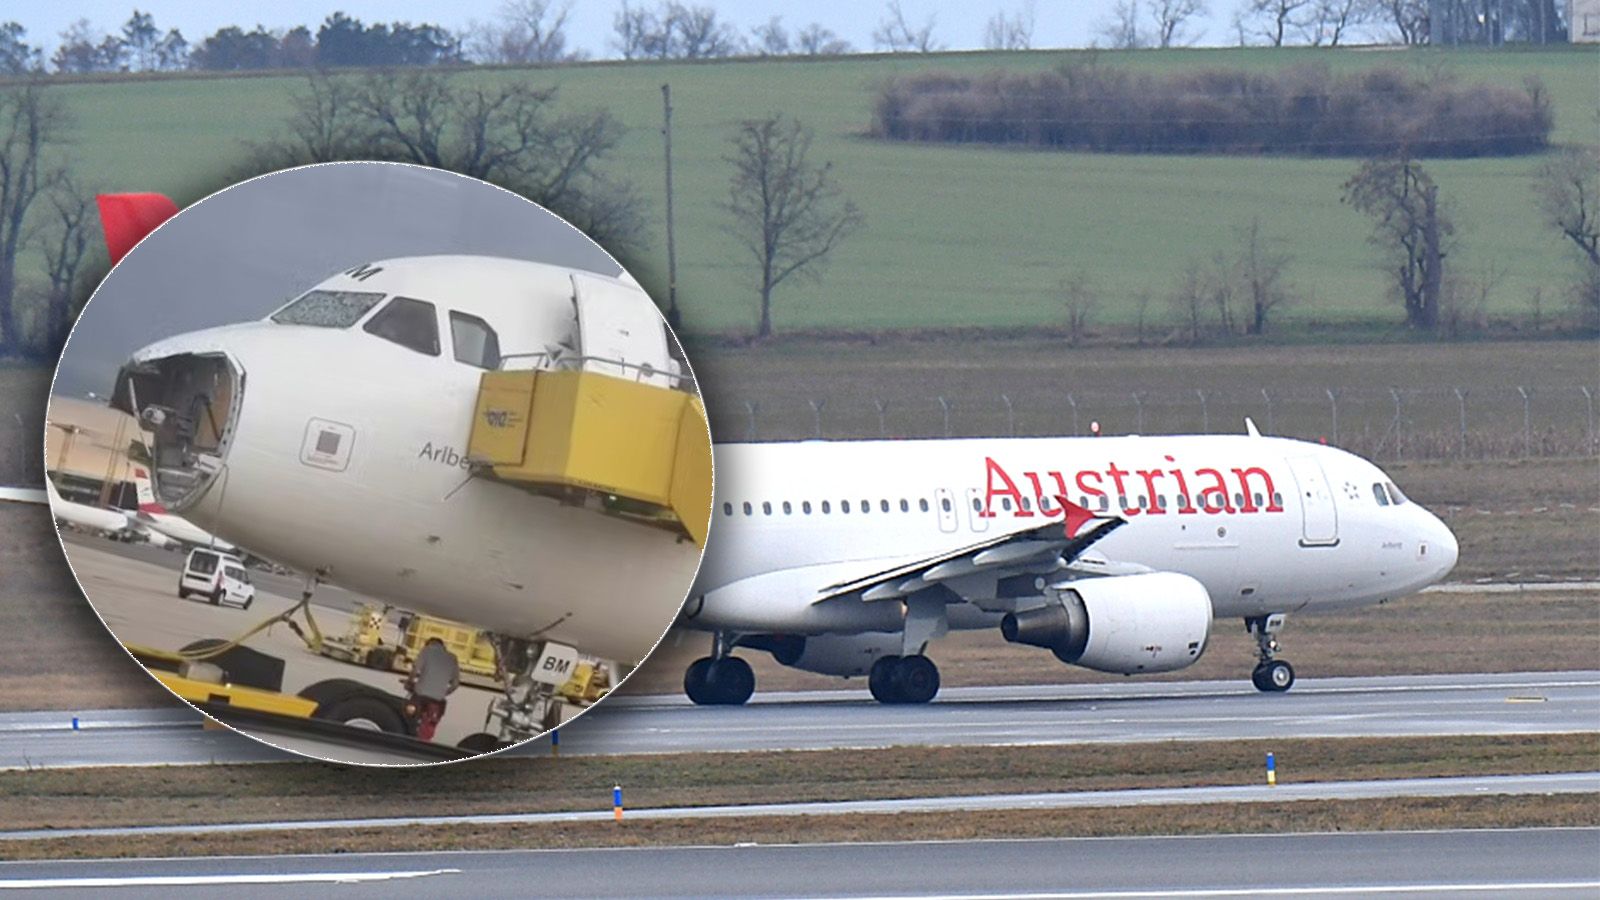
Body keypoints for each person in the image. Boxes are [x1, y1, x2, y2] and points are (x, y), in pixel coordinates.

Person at [404, 637, 460, 742]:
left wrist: (409, 682)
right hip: (438, 700)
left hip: (420, 696)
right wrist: (444, 692)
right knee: (430, 726)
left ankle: (408, 738)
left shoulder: (426, 651)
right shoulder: (452, 658)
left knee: (409, 720)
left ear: (429, 644)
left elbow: (415, 670)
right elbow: (455, 684)